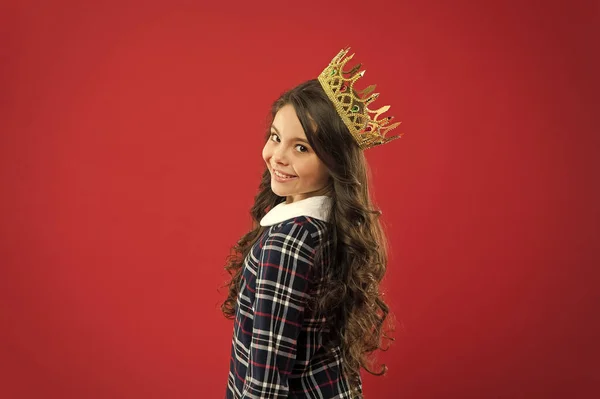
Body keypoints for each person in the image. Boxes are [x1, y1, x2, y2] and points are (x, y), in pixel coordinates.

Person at [222, 47, 403, 399]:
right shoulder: (330, 225)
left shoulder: (287, 243)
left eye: (301, 148)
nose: (277, 156)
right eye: (276, 137)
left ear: (333, 162)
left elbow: (265, 382)